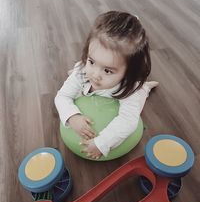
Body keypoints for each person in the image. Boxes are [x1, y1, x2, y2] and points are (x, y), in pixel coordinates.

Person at [55, 11, 158, 159]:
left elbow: (128, 121)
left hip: (129, 89)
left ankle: (146, 88)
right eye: (91, 61)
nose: (95, 75)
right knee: (78, 75)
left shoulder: (129, 87)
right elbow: (62, 96)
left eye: (108, 70)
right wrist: (72, 117)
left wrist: (102, 143)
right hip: (84, 80)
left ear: (128, 73)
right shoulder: (83, 72)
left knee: (139, 94)